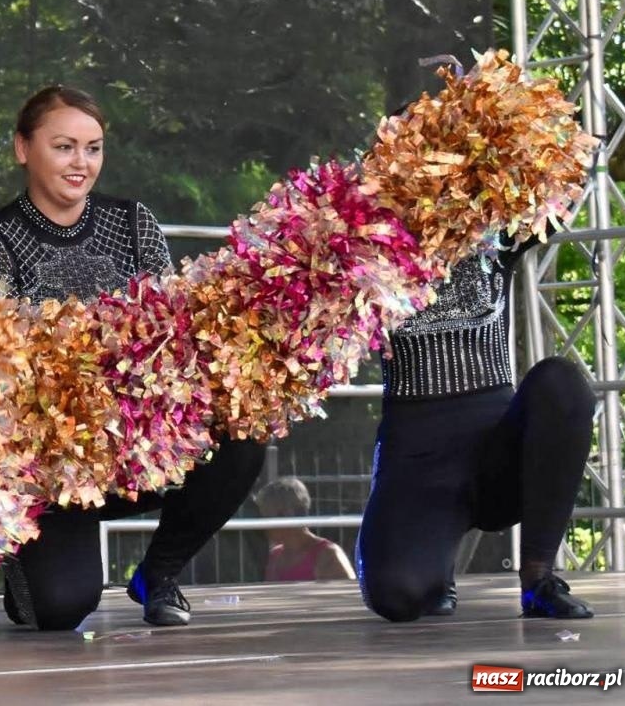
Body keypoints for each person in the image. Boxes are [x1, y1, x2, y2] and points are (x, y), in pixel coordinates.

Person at [0, 85, 266, 632]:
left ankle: (161, 572)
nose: (82, 163)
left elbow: (172, 333)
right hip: (54, 464)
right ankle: (28, 564)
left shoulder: (133, 222)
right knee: (58, 610)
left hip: (139, 441)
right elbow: (2, 374)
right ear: (22, 148)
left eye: (93, 147)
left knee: (244, 438)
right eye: (64, 147)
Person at [356, 245, 596, 621]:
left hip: (498, 456)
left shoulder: (496, 225)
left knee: (563, 384)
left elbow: (608, 181)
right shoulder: (362, 233)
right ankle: (434, 569)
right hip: (419, 463)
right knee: (398, 597)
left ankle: (538, 579)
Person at [253, 478, 353, 582]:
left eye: (266, 517)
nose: (263, 525)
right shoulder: (275, 556)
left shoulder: (328, 555)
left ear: (287, 515)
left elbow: (352, 595)